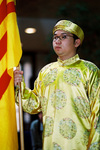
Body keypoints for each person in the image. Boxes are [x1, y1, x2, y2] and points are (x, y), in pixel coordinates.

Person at [14, 20, 100, 150]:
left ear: (77, 42)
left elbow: (98, 114)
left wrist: (94, 146)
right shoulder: (46, 71)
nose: (57, 41)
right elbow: (34, 105)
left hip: (80, 145)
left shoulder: (90, 70)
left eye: (64, 37)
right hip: (50, 143)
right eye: (55, 37)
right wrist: (18, 86)